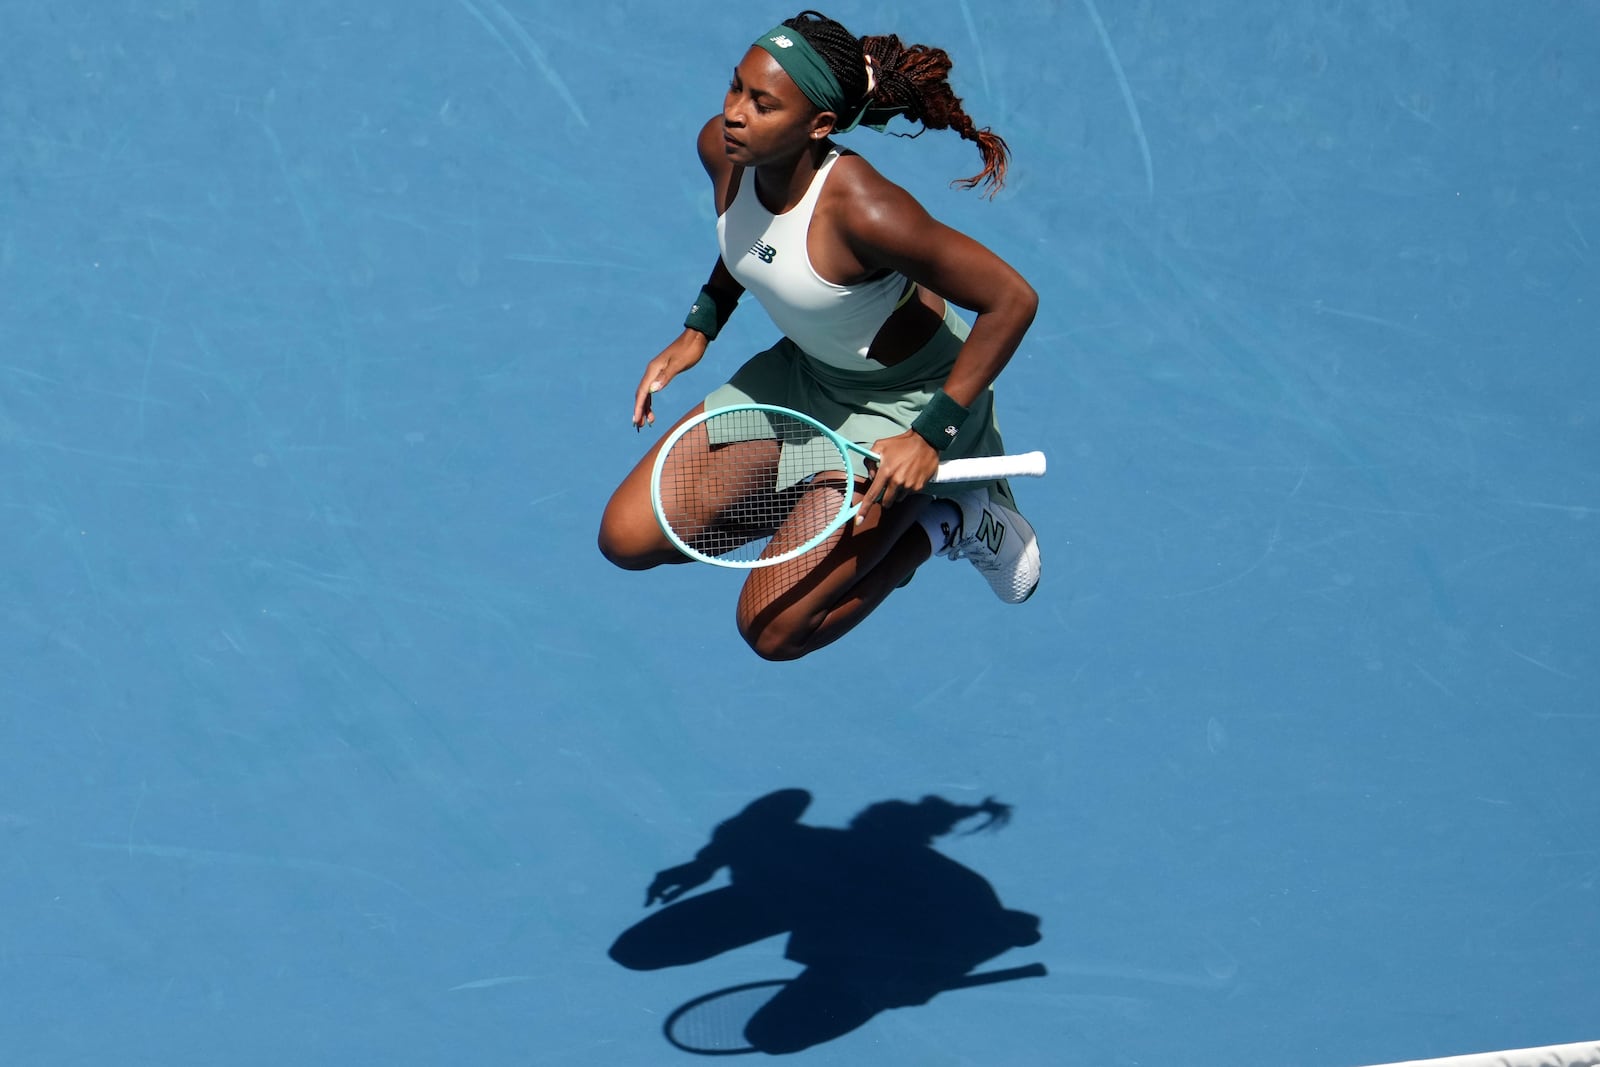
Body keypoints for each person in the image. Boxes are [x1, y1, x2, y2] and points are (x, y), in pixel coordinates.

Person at [598, 10, 1042, 660]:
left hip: (907, 404)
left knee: (774, 629)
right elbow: (750, 237)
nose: (735, 114)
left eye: (763, 103)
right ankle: (829, 508)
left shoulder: (865, 210)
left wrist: (928, 435)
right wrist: (703, 323)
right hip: (806, 376)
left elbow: (1011, 299)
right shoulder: (723, 151)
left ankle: (952, 516)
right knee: (630, 535)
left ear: (819, 126)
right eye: (735, 88)